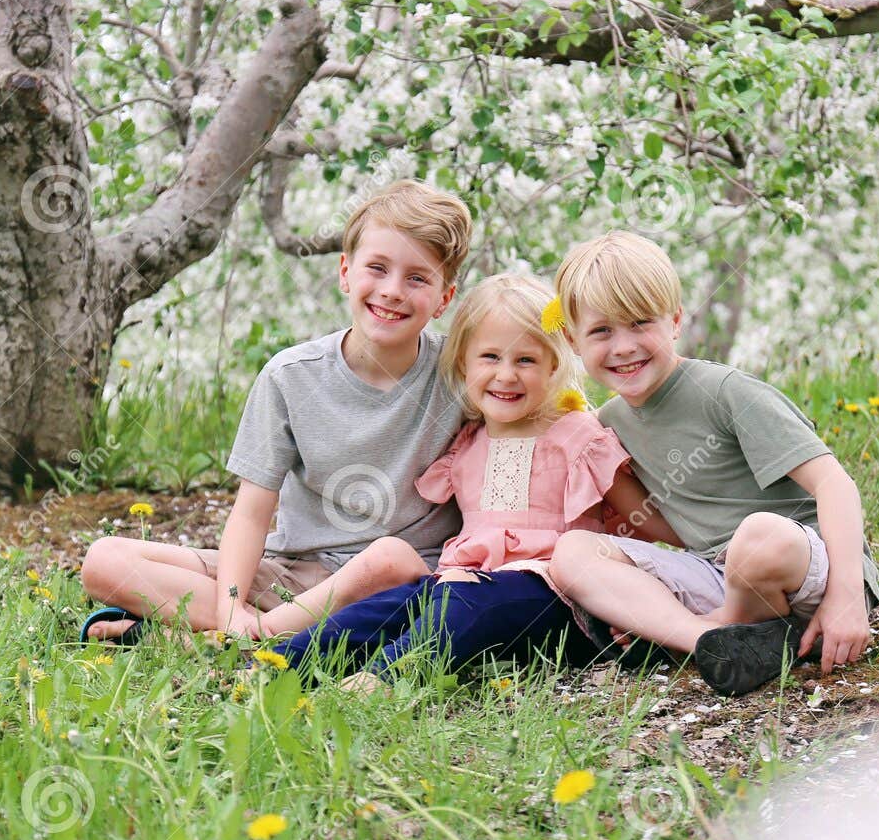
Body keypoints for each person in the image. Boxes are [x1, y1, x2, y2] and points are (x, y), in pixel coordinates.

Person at [78, 180, 473, 643]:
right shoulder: (291, 376)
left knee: (390, 557)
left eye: (417, 278)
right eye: (378, 268)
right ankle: (248, 628)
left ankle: (234, 634)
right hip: (294, 575)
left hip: (398, 582)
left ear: (445, 298)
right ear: (345, 272)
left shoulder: (462, 374)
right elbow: (251, 514)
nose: (392, 291)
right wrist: (229, 604)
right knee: (104, 560)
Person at [278, 273, 667, 681]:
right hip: (461, 586)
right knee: (389, 608)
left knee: (463, 604)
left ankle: (386, 678)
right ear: (463, 362)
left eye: (526, 360)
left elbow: (641, 527)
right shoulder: (466, 446)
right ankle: (280, 666)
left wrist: (634, 602)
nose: (506, 375)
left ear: (554, 364)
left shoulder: (579, 436)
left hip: (561, 602)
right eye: (490, 357)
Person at [545, 231, 879, 696]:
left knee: (757, 537)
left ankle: (707, 631)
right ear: (572, 339)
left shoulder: (725, 393)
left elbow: (834, 484)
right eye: (602, 331)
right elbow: (673, 530)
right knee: (573, 553)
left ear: (676, 321)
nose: (623, 347)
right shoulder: (609, 425)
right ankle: (709, 640)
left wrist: (847, 595)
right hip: (720, 575)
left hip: (807, 566)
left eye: (641, 323)